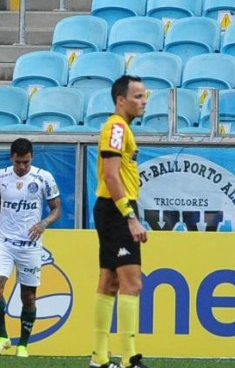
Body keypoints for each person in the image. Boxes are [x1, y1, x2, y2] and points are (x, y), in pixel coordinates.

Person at [0, 138, 62, 358]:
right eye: (18, 162)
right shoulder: (0, 176)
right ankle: (2, 337)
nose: (22, 166)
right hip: (4, 242)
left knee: (29, 298)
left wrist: (44, 223)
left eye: (26, 162)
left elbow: (56, 209)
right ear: (11, 158)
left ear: (32, 157)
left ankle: (23, 345)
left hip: (30, 246)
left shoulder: (44, 178)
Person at [90, 75, 149, 368]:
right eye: (138, 96)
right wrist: (130, 217)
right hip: (116, 209)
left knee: (110, 281)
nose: (144, 101)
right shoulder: (116, 127)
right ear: (120, 100)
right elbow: (111, 176)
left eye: (145, 96)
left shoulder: (121, 127)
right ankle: (129, 359)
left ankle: (99, 358)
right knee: (132, 283)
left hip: (111, 208)